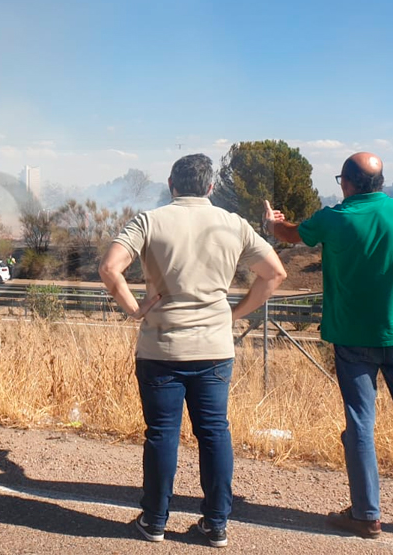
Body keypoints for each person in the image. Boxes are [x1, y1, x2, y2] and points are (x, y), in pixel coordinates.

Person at [267, 152, 393, 538]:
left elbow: (290, 235)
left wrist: (274, 223)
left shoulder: (334, 218)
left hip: (352, 340)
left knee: (360, 424)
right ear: (381, 182)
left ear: (347, 183)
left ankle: (366, 514)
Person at [100, 154, 287, 547]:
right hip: (214, 348)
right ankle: (216, 523)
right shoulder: (233, 224)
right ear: (210, 187)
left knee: (162, 434)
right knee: (215, 432)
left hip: (161, 348)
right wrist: (236, 312)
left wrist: (134, 309)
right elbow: (275, 273)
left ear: (171, 184)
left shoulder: (150, 221)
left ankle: (154, 521)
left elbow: (109, 268)